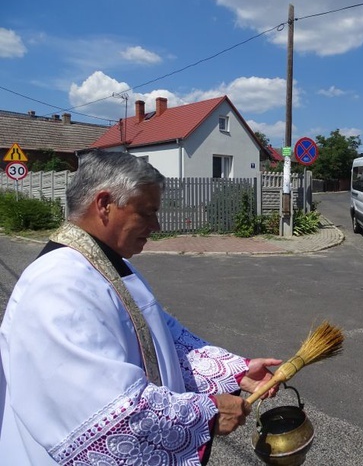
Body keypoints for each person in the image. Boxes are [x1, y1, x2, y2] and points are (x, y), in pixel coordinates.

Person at [0, 150, 282, 465]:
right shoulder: (58, 285)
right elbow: (109, 415)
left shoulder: (109, 264)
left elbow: (165, 339)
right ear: (104, 204)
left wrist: (236, 372)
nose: (157, 225)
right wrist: (207, 413)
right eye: (147, 212)